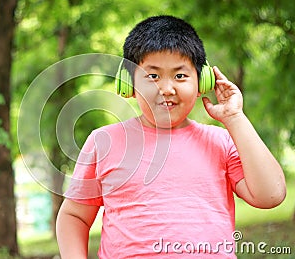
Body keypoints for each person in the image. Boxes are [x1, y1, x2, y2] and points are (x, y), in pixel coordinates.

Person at [56, 15, 286, 258]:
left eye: (180, 76)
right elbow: (74, 216)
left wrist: (235, 117)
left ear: (202, 81)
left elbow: (270, 195)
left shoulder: (219, 142)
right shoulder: (104, 142)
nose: (167, 88)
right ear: (128, 83)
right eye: (153, 76)